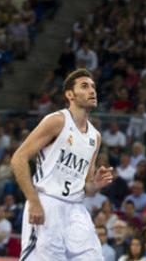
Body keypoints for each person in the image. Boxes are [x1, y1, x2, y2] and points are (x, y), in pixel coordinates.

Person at [11, 68, 114, 260]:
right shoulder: (57, 121)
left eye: (93, 86)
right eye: (84, 86)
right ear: (70, 95)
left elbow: (85, 187)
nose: (92, 91)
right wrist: (33, 201)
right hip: (47, 202)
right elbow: (19, 158)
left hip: (76, 208)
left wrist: (95, 186)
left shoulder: (95, 137)